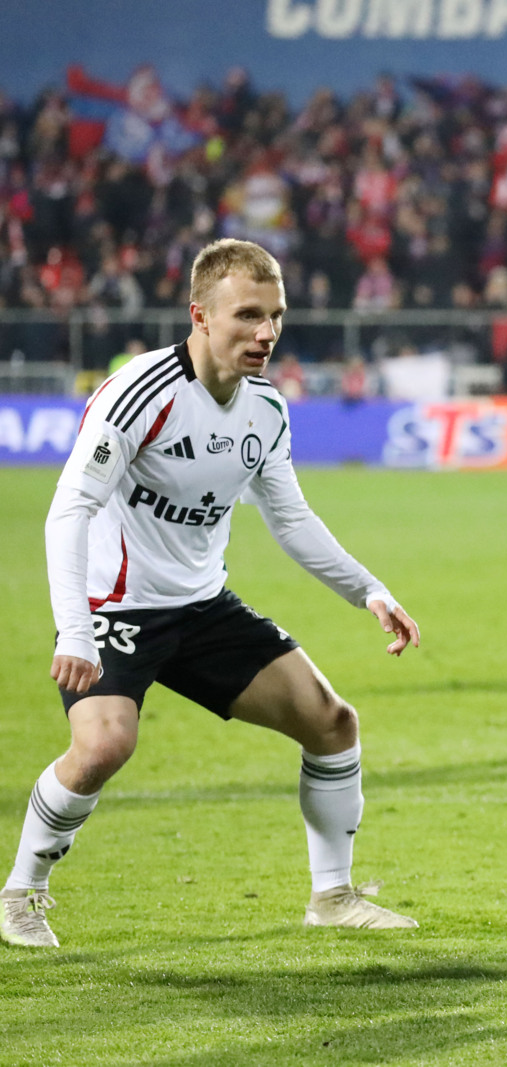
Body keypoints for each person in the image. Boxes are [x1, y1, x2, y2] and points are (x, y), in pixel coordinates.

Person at [1, 239, 422, 949]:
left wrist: (369, 590)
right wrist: (75, 629)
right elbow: (68, 511)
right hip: (116, 608)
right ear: (199, 314)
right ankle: (21, 891)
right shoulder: (140, 393)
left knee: (332, 721)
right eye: (248, 316)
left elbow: (290, 518)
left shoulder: (265, 407)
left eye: (276, 316)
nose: (265, 333)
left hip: (201, 608)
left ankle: (334, 896)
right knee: (104, 746)